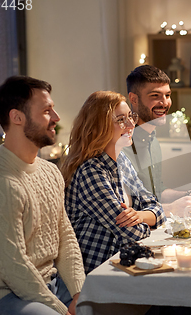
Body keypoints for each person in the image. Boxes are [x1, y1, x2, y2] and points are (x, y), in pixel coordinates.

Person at [0, 76, 85, 315]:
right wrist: (60, 308)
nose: (56, 118)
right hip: (1, 297)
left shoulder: (49, 171)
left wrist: (79, 294)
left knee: (104, 303)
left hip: (48, 285)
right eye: (47, 111)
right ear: (17, 117)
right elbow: (13, 267)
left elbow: (65, 237)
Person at [60, 91, 165, 274]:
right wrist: (148, 219)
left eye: (130, 117)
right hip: (95, 273)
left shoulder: (122, 161)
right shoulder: (91, 171)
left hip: (123, 264)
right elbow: (130, 233)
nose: (131, 124)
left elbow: (156, 206)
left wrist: (139, 216)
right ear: (99, 125)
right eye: (121, 120)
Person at [123, 65, 191, 217]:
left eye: (168, 95)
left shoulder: (153, 140)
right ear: (133, 99)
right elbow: (125, 209)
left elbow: (157, 191)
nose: (164, 103)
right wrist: (171, 209)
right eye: (155, 96)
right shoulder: (121, 144)